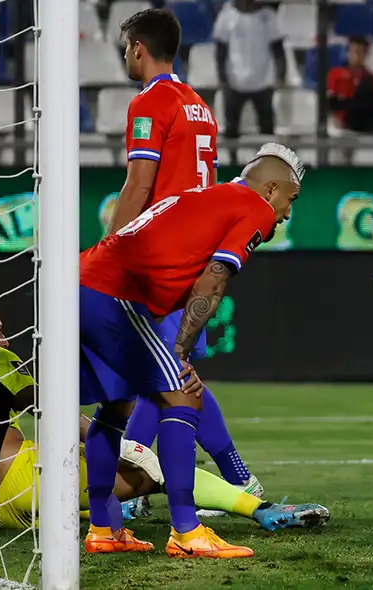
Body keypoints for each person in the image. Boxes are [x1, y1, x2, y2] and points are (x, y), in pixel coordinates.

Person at [79, 144, 303, 558]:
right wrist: (180, 351)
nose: (288, 213)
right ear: (271, 189)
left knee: (116, 406)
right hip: (114, 292)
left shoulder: (202, 195)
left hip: (83, 281)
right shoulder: (253, 207)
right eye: (290, 199)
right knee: (184, 393)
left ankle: (104, 527)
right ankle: (186, 530)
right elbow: (213, 280)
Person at [0, 295, 329, 534]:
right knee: (151, 472)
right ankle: (260, 508)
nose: (6, 340)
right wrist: (119, 445)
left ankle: (117, 510)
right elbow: (51, 408)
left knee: (95, 500)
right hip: (19, 480)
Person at [110, 8, 264, 511]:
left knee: (163, 371)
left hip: (161, 253)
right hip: (196, 250)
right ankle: (236, 476)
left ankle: (133, 474)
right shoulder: (200, 105)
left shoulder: (149, 101)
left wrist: (110, 251)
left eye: (126, 47)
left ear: (138, 47)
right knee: (171, 369)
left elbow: (139, 183)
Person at [213, 0, 286, 138]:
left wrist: (280, 75)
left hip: (262, 81)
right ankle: (232, 159)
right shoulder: (227, 14)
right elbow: (220, 51)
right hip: (235, 81)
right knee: (231, 129)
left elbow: (278, 50)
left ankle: (267, 159)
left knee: (267, 129)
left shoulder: (268, 16)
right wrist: (222, 77)